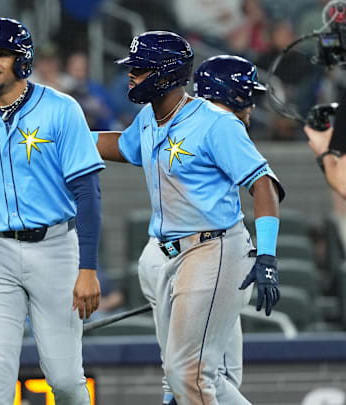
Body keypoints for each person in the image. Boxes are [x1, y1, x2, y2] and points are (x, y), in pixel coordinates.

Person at [93, 31, 284, 405]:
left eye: (140, 68)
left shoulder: (216, 122)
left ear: (166, 73)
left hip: (210, 250)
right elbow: (122, 145)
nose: (131, 74)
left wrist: (268, 255)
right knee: (185, 379)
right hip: (165, 253)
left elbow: (264, 185)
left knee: (188, 376)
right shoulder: (150, 117)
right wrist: (66, 139)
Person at [0, 18, 104, 404]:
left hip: (56, 248)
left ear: (22, 60)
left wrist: (88, 269)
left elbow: (89, 194)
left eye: (0, 54)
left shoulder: (62, 110)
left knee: (63, 379)